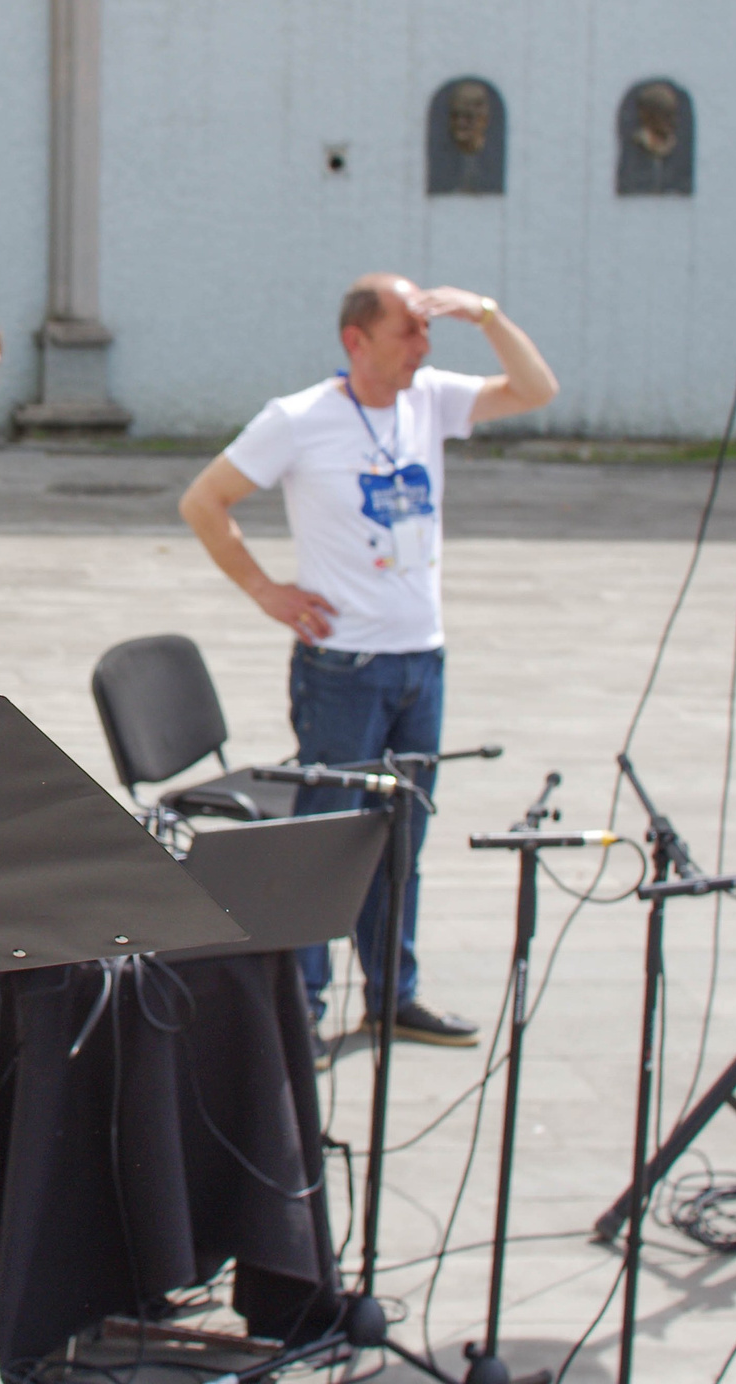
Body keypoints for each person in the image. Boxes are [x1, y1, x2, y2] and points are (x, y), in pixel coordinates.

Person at [177, 274, 557, 1050]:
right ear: (356, 340)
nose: (422, 348)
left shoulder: (431, 400)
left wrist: (484, 314)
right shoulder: (301, 419)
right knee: (328, 837)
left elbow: (535, 388)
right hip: (342, 667)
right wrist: (264, 590)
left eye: (426, 333)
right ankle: (301, 1008)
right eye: (408, 332)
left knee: (402, 837)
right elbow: (203, 501)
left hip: (421, 659)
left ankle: (393, 995)